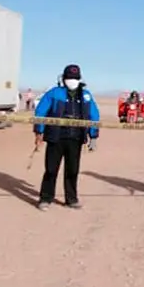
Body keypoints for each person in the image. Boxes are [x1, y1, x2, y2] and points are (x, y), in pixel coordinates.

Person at [33, 64, 100, 210]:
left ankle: (71, 199)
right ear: (63, 78)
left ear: (79, 79)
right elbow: (40, 112)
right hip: (55, 137)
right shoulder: (54, 93)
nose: (72, 80)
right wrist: (39, 131)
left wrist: (93, 136)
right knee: (51, 170)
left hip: (75, 138)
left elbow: (93, 115)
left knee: (72, 170)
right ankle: (45, 198)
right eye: (69, 77)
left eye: (75, 78)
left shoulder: (86, 95)